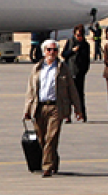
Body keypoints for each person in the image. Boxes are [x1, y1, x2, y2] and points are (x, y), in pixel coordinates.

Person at [23, 39, 83, 177]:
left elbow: (72, 89)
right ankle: (53, 160)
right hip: (39, 107)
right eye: (49, 50)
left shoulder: (63, 68)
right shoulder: (37, 68)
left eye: (54, 50)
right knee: (42, 139)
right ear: (44, 52)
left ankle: (47, 167)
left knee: (51, 137)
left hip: (56, 107)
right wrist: (27, 110)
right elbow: (30, 91)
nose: (52, 53)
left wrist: (78, 109)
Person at [62, 24, 91, 122]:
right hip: (69, 71)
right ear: (74, 34)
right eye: (78, 35)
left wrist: (84, 70)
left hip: (79, 73)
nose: (80, 38)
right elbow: (64, 54)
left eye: (81, 36)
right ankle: (67, 115)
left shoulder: (85, 45)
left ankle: (82, 114)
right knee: (68, 95)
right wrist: (72, 51)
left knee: (79, 95)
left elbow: (87, 60)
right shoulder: (70, 42)